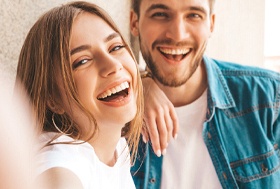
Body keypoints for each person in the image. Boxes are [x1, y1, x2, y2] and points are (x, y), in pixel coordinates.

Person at [130, 0, 280, 188]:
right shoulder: (118, 118)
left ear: (211, 24)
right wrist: (137, 84)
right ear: (134, 22)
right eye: (160, 14)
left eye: (194, 15)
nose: (178, 34)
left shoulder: (269, 97)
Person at [15, 1, 144, 189]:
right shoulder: (59, 163)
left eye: (115, 47)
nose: (113, 65)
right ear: (52, 98)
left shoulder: (116, 146)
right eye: (82, 61)